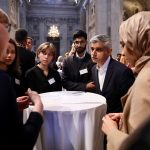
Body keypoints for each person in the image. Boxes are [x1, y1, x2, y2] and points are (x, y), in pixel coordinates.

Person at [101, 11, 150, 150]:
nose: (123, 52)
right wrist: (126, 116)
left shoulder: (145, 80)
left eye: (124, 44)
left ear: (139, 43)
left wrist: (112, 132)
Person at [0, 8, 43, 149]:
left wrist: (12, 104)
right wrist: (38, 107)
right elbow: (21, 142)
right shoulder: (3, 79)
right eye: (6, 28)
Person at [90, 34, 135, 113]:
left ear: (109, 52)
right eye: (92, 49)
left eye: (98, 50)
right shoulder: (93, 69)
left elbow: (130, 103)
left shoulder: (123, 72)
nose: (93, 53)